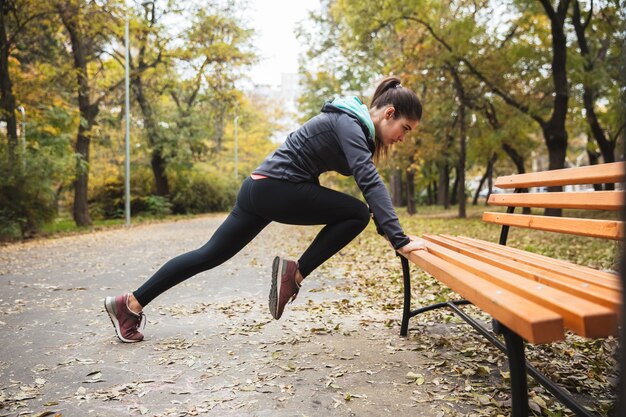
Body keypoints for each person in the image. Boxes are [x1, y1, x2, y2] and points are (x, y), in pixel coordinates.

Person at [104, 76, 428, 343]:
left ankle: (129, 304)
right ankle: (294, 274)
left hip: (259, 187)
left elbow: (364, 178)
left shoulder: (351, 124)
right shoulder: (350, 124)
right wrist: (398, 237)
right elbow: (369, 181)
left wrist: (387, 229)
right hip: (276, 187)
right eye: (406, 129)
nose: (403, 138)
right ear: (388, 113)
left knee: (209, 254)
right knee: (356, 213)